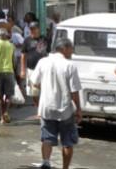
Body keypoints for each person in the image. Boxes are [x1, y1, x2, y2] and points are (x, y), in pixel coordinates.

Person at [30, 38, 82, 169]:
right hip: (65, 110)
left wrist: (46, 89)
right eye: (71, 48)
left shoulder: (43, 62)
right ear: (64, 48)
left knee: (47, 137)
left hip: (46, 108)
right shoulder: (70, 65)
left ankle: (46, 162)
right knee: (67, 141)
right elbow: (74, 91)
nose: (72, 52)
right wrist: (79, 110)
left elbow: (34, 82)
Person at [20, 22, 48, 101]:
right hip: (31, 69)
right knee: (33, 92)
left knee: (44, 89)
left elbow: (49, 53)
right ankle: (38, 108)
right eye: (31, 29)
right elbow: (23, 55)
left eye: (34, 29)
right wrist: (22, 70)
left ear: (38, 29)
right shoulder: (27, 40)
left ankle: (42, 107)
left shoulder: (44, 39)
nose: (33, 31)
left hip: (44, 69)